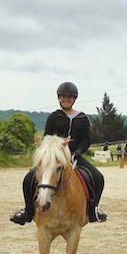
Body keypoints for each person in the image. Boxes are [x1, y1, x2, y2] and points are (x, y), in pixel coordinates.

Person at [10, 82, 107, 225]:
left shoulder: (82, 118)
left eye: (69, 97)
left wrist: (79, 152)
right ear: (59, 98)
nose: (66, 99)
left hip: (74, 157)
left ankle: (93, 210)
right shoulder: (54, 117)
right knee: (28, 178)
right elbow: (47, 137)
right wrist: (46, 152)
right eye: (63, 97)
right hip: (54, 158)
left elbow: (86, 139)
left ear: (74, 99)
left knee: (98, 177)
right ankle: (28, 211)